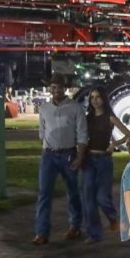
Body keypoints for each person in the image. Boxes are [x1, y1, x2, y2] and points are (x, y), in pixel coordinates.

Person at [33, 73, 87, 245]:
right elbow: (42, 132)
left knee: (73, 192)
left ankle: (75, 226)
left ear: (65, 88)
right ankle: (42, 232)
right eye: (54, 87)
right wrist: (45, 148)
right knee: (44, 193)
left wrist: (79, 157)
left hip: (69, 154)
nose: (56, 90)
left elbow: (82, 135)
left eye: (60, 87)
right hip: (49, 155)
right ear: (50, 88)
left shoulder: (76, 108)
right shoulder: (44, 109)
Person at [82, 86, 130, 244]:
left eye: (97, 97)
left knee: (102, 197)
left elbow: (128, 134)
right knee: (88, 198)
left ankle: (113, 219)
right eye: (92, 97)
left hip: (104, 160)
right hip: (89, 160)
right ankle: (94, 234)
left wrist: (114, 144)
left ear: (103, 98)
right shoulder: (88, 118)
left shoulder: (109, 117)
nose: (95, 100)